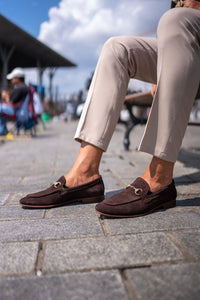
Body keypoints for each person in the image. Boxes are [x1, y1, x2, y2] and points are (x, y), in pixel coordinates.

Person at [20, 1, 200, 218]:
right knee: (117, 48)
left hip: (186, 31)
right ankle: (85, 173)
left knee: (176, 19)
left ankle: (160, 177)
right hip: (187, 46)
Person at [0, 68, 28, 135]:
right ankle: (3, 130)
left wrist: (6, 96)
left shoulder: (19, 88)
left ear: (17, 78)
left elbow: (11, 102)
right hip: (20, 110)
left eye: (13, 78)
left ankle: (2, 131)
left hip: (16, 111)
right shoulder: (25, 87)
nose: (11, 80)